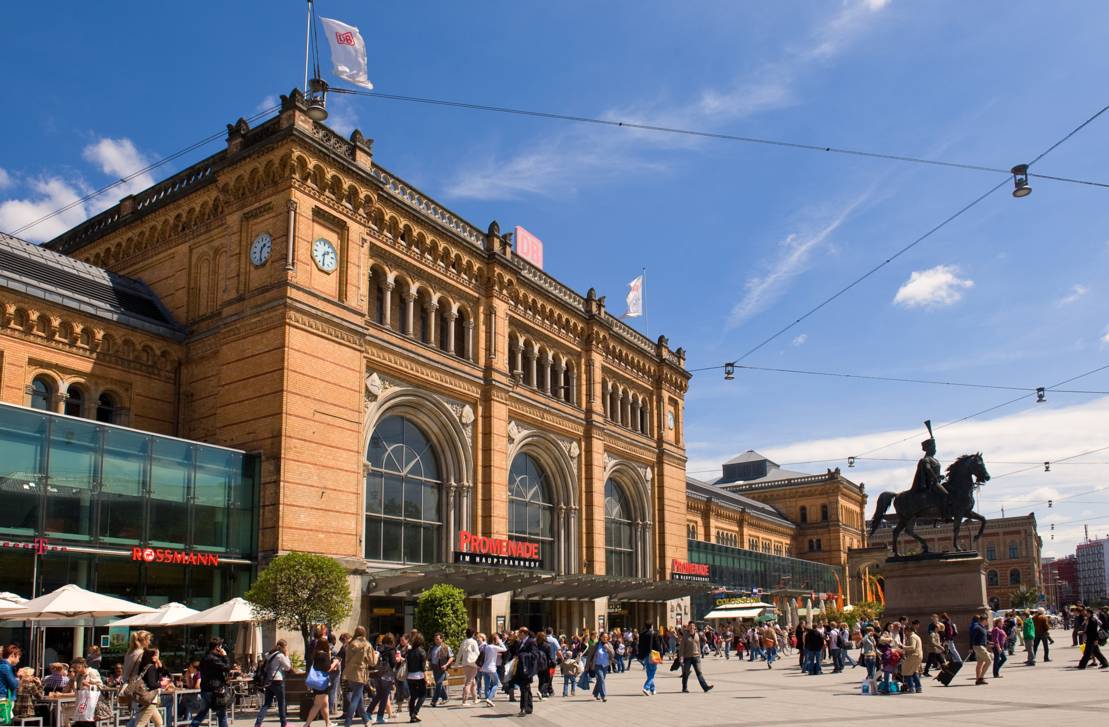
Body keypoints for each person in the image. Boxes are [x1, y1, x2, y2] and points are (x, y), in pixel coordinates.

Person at [189, 638, 232, 727]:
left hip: (205, 690)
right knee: (222, 714)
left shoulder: (205, 658)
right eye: (221, 646)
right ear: (217, 647)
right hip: (216, 690)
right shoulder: (213, 659)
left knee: (202, 713)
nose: (222, 648)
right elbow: (227, 667)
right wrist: (225, 656)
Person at [254, 639, 293, 727]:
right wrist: (287, 656)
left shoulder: (269, 654)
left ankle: (258, 723)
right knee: (281, 703)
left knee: (267, 703)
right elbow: (288, 667)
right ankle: (284, 723)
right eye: (286, 647)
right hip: (278, 681)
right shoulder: (280, 656)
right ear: (283, 647)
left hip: (269, 681)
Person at [129, 650, 165, 727]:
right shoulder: (151, 668)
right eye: (156, 655)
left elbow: (160, 671)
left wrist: (159, 664)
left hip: (144, 699)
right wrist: (161, 684)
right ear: (152, 657)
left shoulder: (143, 667)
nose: (158, 657)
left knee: (159, 722)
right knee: (140, 724)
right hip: (149, 700)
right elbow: (152, 684)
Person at [366, 634, 396, 724]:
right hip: (386, 676)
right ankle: (380, 716)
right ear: (392, 642)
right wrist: (398, 660)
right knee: (384, 696)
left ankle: (368, 712)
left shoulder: (379, 649)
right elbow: (393, 663)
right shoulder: (391, 650)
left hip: (376, 674)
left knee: (378, 695)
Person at [677, 622, 713, 693]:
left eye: (693, 626)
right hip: (687, 657)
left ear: (695, 627)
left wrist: (699, 653)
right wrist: (681, 657)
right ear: (688, 627)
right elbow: (682, 647)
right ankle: (684, 688)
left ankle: (705, 687)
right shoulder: (685, 636)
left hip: (696, 656)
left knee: (699, 672)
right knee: (686, 673)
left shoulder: (697, 635)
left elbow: (699, 644)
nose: (692, 627)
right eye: (690, 626)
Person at [512, 628, 539, 717]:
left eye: (519, 633)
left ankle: (523, 708)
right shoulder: (520, 642)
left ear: (523, 633)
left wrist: (522, 656)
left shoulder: (531, 642)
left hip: (527, 670)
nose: (518, 634)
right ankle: (529, 708)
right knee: (526, 689)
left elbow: (535, 655)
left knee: (524, 689)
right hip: (520, 670)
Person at [404, 631, 428, 722]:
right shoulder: (422, 651)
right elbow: (423, 667)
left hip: (410, 676)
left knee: (413, 696)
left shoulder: (409, 651)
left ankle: (411, 715)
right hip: (419, 676)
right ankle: (415, 713)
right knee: (423, 695)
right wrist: (426, 678)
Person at [584, 632, 614, 702]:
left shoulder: (609, 645)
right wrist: (587, 666)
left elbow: (613, 654)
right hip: (597, 665)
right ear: (600, 637)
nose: (605, 638)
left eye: (606, 637)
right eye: (603, 637)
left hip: (606, 665)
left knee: (600, 680)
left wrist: (608, 649)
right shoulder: (595, 645)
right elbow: (589, 656)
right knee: (601, 679)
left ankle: (595, 693)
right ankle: (603, 696)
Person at [480, 633, 506, 706]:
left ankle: (488, 700)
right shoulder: (494, 647)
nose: (498, 639)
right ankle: (489, 698)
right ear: (495, 640)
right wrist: (500, 642)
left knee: (487, 685)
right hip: (492, 668)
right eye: (497, 638)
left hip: (484, 668)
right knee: (496, 683)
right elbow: (505, 649)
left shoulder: (486, 647)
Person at [427, 632, 452, 708]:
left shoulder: (446, 647)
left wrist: (446, 665)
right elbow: (429, 657)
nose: (436, 640)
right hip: (433, 667)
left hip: (442, 668)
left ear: (441, 639)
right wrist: (427, 663)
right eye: (435, 639)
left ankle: (434, 701)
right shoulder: (432, 647)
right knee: (438, 684)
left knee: (438, 683)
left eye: (437, 639)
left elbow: (451, 657)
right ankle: (445, 697)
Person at [636, 623, 662, 696]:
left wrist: (640, 656)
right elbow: (657, 645)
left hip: (645, 656)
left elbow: (640, 646)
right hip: (653, 655)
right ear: (651, 626)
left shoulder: (642, 634)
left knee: (649, 672)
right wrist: (660, 654)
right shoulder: (654, 634)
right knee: (652, 673)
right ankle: (646, 687)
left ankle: (652, 689)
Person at [456, 629, 480, 706]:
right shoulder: (474, 642)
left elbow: (459, 653)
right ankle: (464, 701)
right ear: (473, 634)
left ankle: (475, 699)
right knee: (469, 682)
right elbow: (477, 652)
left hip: (465, 663)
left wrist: (456, 664)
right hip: (473, 663)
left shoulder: (463, 642)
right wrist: (481, 662)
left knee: (472, 681)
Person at [901, 621, 923, 694]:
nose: (904, 633)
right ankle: (918, 687)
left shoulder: (912, 637)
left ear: (908, 631)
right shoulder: (916, 636)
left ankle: (911, 688)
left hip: (913, 655)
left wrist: (903, 647)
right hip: (918, 655)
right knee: (914, 672)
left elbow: (913, 647)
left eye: (905, 632)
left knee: (907, 672)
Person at [970, 614, 992, 686]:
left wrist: (989, 643)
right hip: (979, 647)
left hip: (981, 646)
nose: (987, 622)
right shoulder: (977, 627)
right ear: (984, 620)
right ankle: (981, 678)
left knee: (980, 663)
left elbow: (982, 638)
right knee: (989, 660)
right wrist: (970, 647)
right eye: (987, 621)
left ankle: (977, 680)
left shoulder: (982, 627)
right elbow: (972, 637)